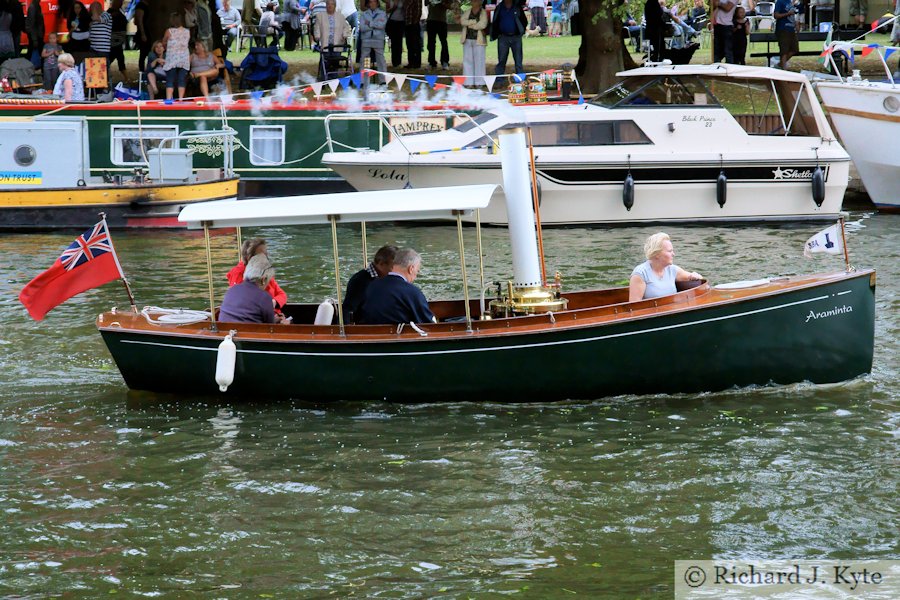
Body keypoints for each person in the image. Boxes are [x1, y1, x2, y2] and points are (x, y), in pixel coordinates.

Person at [361, 248, 436, 325]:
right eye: (417, 271)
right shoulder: (412, 292)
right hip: (401, 335)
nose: (416, 276)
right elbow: (428, 324)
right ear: (411, 269)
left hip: (371, 334)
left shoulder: (372, 286)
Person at [628, 232, 702, 302]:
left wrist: (695, 275)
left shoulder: (672, 269)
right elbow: (633, 307)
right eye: (670, 251)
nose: (673, 254)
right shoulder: (640, 273)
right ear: (657, 254)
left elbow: (694, 277)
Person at [227, 238, 288, 313]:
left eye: (265, 254)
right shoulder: (238, 274)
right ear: (249, 257)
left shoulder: (264, 270)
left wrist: (274, 302)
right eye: (260, 255)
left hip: (273, 314)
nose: (265, 257)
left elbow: (282, 294)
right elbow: (241, 305)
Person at [343, 244, 397, 323]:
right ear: (381, 264)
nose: (396, 271)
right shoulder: (361, 280)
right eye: (393, 267)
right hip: (366, 327)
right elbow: (348, 309)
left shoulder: (382, 278)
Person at [219, 254, 278, 324]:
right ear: (263, 280)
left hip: (225, 331)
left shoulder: (232, 290)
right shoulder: (264, 297)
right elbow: (271, 327)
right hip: (250, 333)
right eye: (268, 280)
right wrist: (283, 323)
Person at [491, 0, 527, 76]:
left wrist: (521, 30)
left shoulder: (517, 7)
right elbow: (495, 21)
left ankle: (520, 81)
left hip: (516, 37)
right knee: (501, 60)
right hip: (503, 37)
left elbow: (524, 20)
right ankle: (499, 80)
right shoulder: (499, 8)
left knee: (518, 61)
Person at [162, 12, 191, 100]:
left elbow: (164, 41)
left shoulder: (169, 31)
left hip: (172, 58)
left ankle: (169, 99)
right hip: (184, 58)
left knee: (170, 79)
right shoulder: (187, 32)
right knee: (181, 79)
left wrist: (167, 47)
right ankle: (181, 98)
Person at [460, 0, 488, 86]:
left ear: (480, 2)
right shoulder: (467, 11)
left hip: (479, 40)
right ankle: (468, 82)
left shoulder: (483, 12)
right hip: (467, 39)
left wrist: (470, 25)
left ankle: (479, 82)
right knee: (467, 61)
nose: (474, 2)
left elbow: (483, 24)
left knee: (479, 61)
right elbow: (462, 21)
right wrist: (473, 22)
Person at [358, 0, 387, 80]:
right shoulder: (364, 14)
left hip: (378, 39)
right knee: (365, 60)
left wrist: (370, 23)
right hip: (366, 39)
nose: (372, 3)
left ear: (377, 3)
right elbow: (362, 28)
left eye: (374, 1)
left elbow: (382, 25)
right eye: (370, 2)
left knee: (380, 60)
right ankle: (363, 80)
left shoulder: (382, 14)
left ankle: (383, 80)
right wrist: (375, 24)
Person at [426, 0, 452, 70]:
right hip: (431, 20)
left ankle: (445, 61)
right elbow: (426, 3)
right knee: (431, 42)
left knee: (443, 42)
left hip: (441, 21)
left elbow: (450, 6)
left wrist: (443, 3)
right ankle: (431, 62)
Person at [773, 0, 798, 69]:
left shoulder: (790, 2)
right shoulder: (780, 2)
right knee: (784, 51)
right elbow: (776, 15)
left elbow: (792, 15)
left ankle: (779, 65)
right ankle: (784, 69)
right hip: (783, 29)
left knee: (795, 49)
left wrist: (796, 24)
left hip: (791, 29)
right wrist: (787, 14)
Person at [108, 0, 128, 76]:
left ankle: (126, 78)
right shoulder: (109, 13)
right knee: (111, 59)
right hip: (112, 41)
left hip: (117, 40)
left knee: (120, 59)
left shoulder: (119, 14)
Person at [385, 0, 405, 68]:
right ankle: (394, 62)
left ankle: (399, 61)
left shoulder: (403, 1)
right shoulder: (389, 1)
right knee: (393, 42)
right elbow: (386, 11)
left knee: (399, 42)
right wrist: (393, 7)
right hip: (392, 22)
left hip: (401, 22)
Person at [25, 0, 45, 66]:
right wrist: (34, 39)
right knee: (33, 52)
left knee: (33, 52)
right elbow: (32, 25)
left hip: (37, 35)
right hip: (35, 35)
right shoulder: (33, 7)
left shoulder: (36, 6)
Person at [134, 0, 151, 71]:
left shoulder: (147, 5)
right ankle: (142, 72)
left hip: (148, 31)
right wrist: (143, 33)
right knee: (143, 54)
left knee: (147, 52)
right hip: (144, 32)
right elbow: (138, 21)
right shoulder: (140, 6)